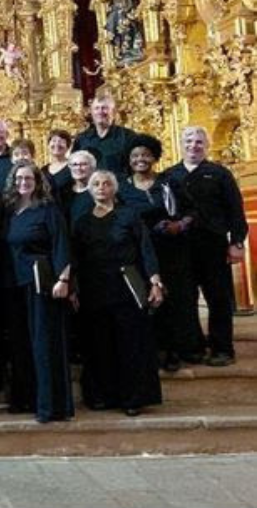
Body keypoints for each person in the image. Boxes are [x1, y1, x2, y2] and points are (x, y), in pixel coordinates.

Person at [73, 170, 164, 416]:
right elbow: (77, 259)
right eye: (96, 184)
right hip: (94, 290)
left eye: (106, 183)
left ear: (114, 189)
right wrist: (74, 288)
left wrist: (155, 282)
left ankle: (133, 398)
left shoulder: (129, 216)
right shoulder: (81, 221)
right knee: (99, 344)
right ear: (89, 189)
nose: (101, 187)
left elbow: (145, 248)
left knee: (131, 343)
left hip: (127, 286)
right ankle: (103, 395)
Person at [163, 126, 248, 367]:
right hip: (181, 248)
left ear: (206, 146)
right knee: (185, 299)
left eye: (199, 141)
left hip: (213, 244)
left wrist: (236, 242)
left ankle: (222, 348)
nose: (193, 145)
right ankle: (194, 347)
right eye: (189, 141)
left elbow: (235, 210)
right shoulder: (170, 175)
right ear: (181, 144)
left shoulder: (219, 173)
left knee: (218, 298)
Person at [119, 134, 201, 369]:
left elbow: (192, 211)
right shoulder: (123, 187)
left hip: (172, 250)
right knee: (148, 301)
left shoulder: (168, 182)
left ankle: (176, 350)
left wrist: (180, 225)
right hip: (141, 253)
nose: (140, 159)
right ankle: (154, 350)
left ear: (154, 157)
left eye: (145, 154)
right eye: (135, 156)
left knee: (176, 299)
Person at [3, 161, 73, 424]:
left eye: (28, 178)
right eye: (19, 178)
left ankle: (51, 406)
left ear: (37, 181)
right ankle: (26, 399)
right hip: (15, 285)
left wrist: (63, 279)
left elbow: (61, 244)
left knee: (44, 343)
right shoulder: (10, 211)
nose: (23, 183)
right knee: (21, 345)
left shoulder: (48, 208)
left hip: (42, 283)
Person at [72, 93, 137, 177]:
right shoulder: (82, 139)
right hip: (90, 188)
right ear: (91, 112)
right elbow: (74, 167)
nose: (100, 112)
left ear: (113, 112)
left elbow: (137, 166)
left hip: (120, 188)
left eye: (104, 108)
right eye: (96, 108)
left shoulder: (128, 137)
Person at [60, 151, 97, 228]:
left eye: (83, 164)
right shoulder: (63, 192)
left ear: (92, 168)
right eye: (75, 165)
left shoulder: (99, 192)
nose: (78, 168)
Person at [43, 129, 73, 198]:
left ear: (68, 146)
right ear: (48, 145)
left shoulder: (73, 167)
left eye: (61, 141)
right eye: (54, 141)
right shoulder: (43, 170)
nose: (57, 144)